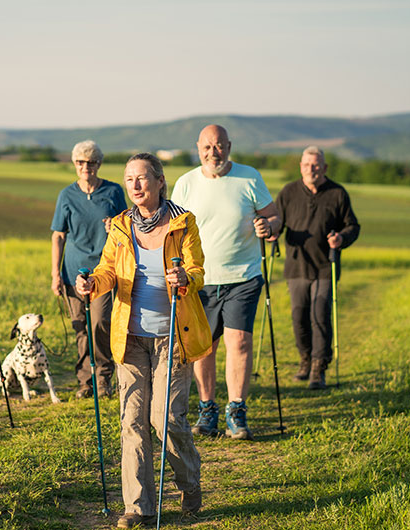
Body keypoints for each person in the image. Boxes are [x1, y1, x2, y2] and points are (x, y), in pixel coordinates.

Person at [76, 153, 211, 529]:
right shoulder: (119, 227)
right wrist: (91, 284)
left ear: (159, 181)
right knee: (132, 422)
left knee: (166, 418)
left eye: (142, 178)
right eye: (129, 179)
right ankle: (139, 507)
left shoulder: (183, 223)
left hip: (173, 334)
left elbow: (198, 269)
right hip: (130, 337)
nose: (135, 185)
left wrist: (184, 277)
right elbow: (106, 270)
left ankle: (189, 484)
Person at [170, 124, 280, 440]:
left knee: (239, 342)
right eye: (207, 146)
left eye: (219, 146)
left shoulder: (249, 177)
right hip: (200, 280)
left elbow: (274, 216)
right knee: (205, 347)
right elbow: (173, 230)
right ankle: (207, 410)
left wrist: (268, 227)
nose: (212, 152)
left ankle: (236, 410)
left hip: (243, 276)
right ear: (198, 147)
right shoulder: (186, 183)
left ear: (229, 146)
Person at [275, 146, 360, 389]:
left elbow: (352, 226)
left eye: (315, 165)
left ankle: (318, 368)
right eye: (306, 165)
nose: (310, 169)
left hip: (326, 266)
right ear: (300, 167)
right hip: (296, 266)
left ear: (324, 168)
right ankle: (305, 359)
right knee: (299, 316)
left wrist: (341, 239)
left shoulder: (337, 193)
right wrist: (271, 233)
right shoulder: (289, 192)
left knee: (320, 314)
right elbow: (277, 222)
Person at [51, 140, 127, 399]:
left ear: (99, 164)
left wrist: (113, 227)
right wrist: (55, 275)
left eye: (92, 162)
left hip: (104, 270)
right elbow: (58, 236)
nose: (86, 167)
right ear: (74, 164)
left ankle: (104, 376)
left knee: (101, 322)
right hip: (72, 271)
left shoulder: (113, 191)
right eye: (81, 162)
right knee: (80, 327)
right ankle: (86, 380)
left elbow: (126, 226)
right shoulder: (66, 195)